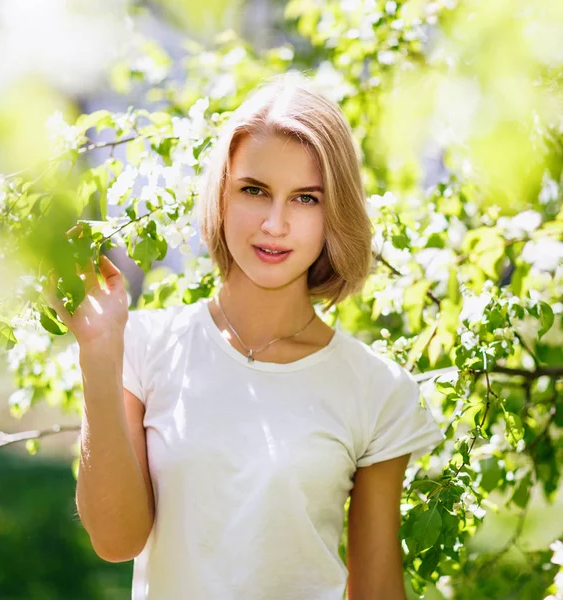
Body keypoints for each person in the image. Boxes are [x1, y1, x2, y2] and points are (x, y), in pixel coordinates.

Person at [46, 73, 445, 600]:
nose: (275, 224)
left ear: (335, 213)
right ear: (222, 194)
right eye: (254, 190)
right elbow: (118, 541)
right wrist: (99, 355)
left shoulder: (377, 390)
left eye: (306, 199)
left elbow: (375, 590)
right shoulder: (145, 345)